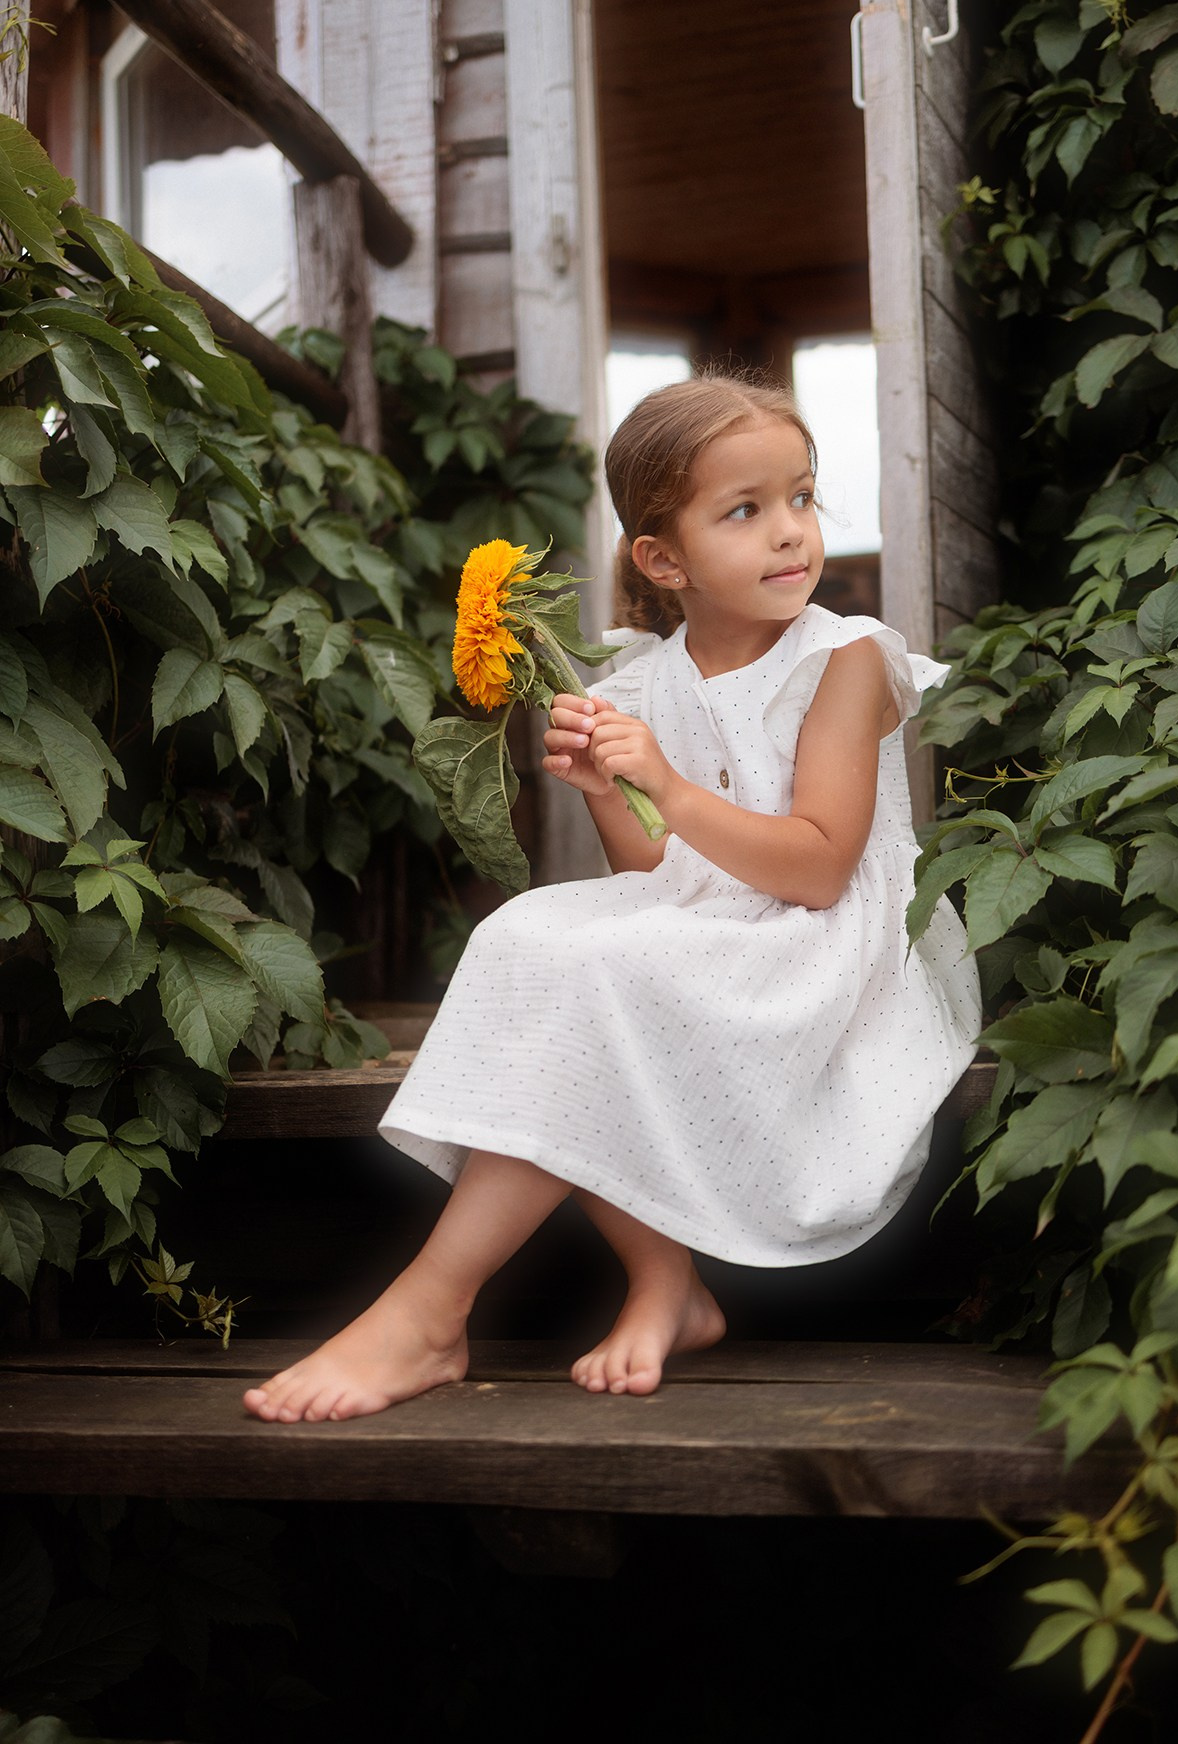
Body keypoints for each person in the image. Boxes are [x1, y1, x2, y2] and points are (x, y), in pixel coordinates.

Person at [243, 375, 981, 1425]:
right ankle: (665, 1283)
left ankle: (431, 1308)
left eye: (801, 498)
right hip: (719, 917)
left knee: (603, 976)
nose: (789, 535)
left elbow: (820, 866)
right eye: (745, 510)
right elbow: (650, 875)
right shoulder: (642, 675)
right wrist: (607, 793)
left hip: (830, 944)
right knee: (525, 941)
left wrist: (670, 789)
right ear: (663, 559)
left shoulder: (842, 658)